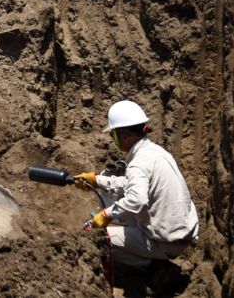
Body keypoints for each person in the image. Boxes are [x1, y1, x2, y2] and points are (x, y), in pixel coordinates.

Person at [76, 100, 199, 281]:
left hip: (166, 241)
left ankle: (155, 270)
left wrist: (105, 215)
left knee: (97, 239)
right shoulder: (155, 152)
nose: (114, 140)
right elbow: (130, 184)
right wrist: (97, 180)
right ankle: (149, 261)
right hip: (177, 232)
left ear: (124, 135)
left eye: (114, 135)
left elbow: (137, 199)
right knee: (116, 207)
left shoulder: (139, 163)